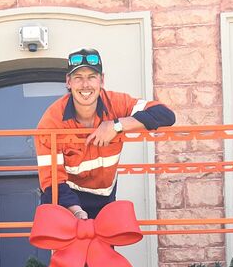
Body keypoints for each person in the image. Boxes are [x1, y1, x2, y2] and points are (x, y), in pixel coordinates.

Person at [35, 48, 175, 219]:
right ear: (68, 82)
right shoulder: (51, 121)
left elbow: (165, 115)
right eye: (78, 78)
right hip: (64, 200)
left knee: (105, 246)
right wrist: (78, 213)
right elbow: (51, 182)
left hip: (104, 198)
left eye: (92, 77)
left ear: (102, 80)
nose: (85, 85)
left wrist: (116, 125)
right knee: (72, 245)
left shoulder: (116, 103)